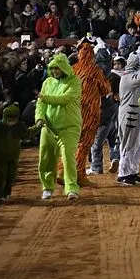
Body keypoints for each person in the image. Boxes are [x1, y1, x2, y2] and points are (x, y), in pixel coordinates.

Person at [35, 53, 83, 201]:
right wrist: (39, 118)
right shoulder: (47, 82)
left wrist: (44, 97)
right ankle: (47, 187)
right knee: (46, 158)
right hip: (48, 127)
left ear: (64, 68)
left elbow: (65, 99)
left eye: (57, 68)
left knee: (68, 157)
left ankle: (71, 188)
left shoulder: (75, 82)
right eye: (52, 68)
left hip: (69, 127)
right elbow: (40, 105)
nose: (54, 71)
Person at [68, 41, 111, 187]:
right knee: (84, 144)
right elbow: (105, 89)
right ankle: (77, 173)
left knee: (71, 142)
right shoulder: (95, 70)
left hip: (72, 110)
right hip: (89, 111)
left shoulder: (72, 69)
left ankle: (64, 170)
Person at [116, 46, 140, 185]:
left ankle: (132, 171)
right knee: (129, 143)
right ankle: (124, 173)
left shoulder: (133, 76)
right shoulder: (127, 77)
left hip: (136, 113)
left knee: (137, 143)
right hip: (129, 115)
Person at [89, 54, 124, 175]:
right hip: (115, 111)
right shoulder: (115, 76)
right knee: (113, 139)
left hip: (103, 114)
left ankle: (96, 167)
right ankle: (115, 158)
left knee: (96, 143)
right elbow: (118, 96)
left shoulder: (96, 78)